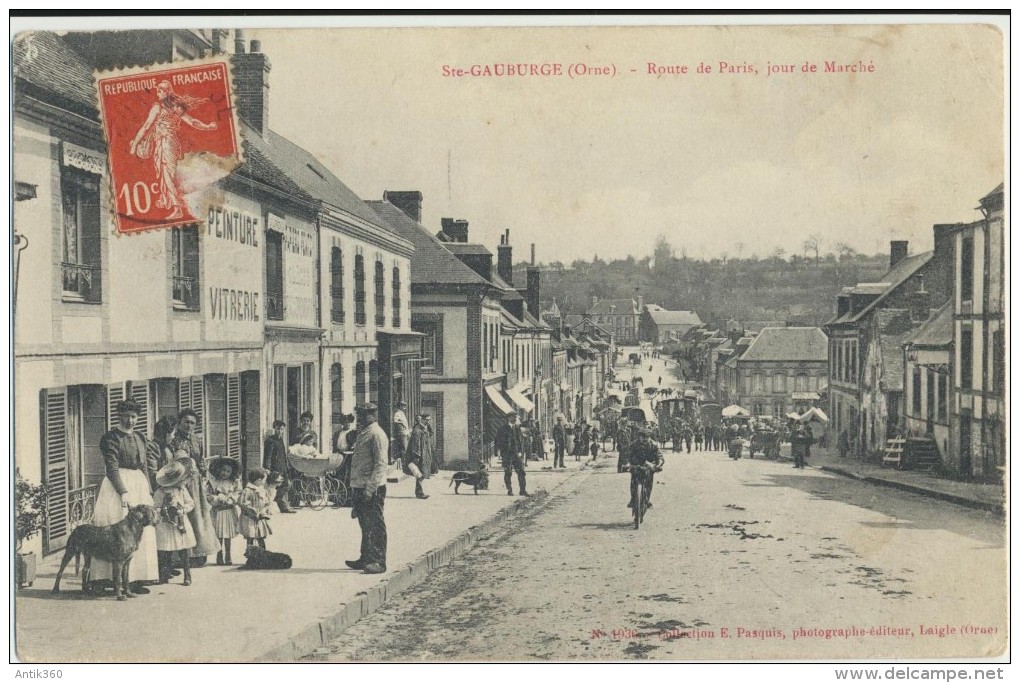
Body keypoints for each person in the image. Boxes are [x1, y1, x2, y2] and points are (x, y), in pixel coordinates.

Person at [93, 400, 159, 594]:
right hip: (118, 485)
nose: (130, 420)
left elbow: (144, 465)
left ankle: (135, 579)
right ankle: (105, 579)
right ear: (119, 416)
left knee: (140, 532)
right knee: (116, 528)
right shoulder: (111, 438)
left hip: (138, 483)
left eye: (134, 416)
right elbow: (111, 467)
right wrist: (123, 491)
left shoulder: (140, 437)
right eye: (126, 416)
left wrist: (148, 489)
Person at [129, 80, 218, 221]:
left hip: (165, 143)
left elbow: (146, 126)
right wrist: (207, 127)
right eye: (157, 90)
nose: (157, 93)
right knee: (166, 174)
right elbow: (193, 121)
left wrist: (134, 145)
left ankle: (177, 208)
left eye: (160, 90)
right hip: (170, 143)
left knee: (167, 174)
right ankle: (170, 201)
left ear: (166, 92)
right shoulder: (176, 109)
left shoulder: (158, 108)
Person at [170, 409, 219, 565]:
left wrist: (204, 474)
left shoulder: (197, 440)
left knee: (198, 515)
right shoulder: (174, 440)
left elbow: (201, 460)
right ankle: (182, 556)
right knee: (184, 515)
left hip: (196, 483)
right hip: (181, 482)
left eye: (192, 423)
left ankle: (198, 553)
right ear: (179, 423)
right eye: (186, 422)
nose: (189, 425)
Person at [347, 403, 390, 574]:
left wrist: (369, 489)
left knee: (375, 525)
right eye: (359, 415)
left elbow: (380, 465)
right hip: (359, 485)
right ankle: (365, 557)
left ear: (373, 415)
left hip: (372, 488)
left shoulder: (377, 434)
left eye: (363, 416)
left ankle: (379, 561)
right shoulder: (364, 432)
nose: (360, 419)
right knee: (365, 524)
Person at [153, 460, 196, 586]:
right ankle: (163, 574)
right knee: (165, 550)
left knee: (183, 550)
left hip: (180, 522)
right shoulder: (160, 492)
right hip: (165, 525)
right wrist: (164, 511)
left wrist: (182, 510)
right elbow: (155, 507)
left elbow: (190, 503)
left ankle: (187, 575)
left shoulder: (181, 490)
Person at [206, 456, 242, 566]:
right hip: (218, 511)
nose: (225, 473)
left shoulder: (234, 482)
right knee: (218, 534)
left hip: (228, 511)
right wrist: (216, 499)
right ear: (218, 470)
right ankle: (219, 555)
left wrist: (231, 500)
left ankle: (228, 555)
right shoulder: (213, 482)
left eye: (228, 471)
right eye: (223, 470)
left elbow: (238, 493)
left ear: (232, 472)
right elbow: (208, 494)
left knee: (227, 535)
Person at [263, 419, 295, 513]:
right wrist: (267, 468)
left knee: (286, 485)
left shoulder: (280, 440)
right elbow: (268, 456)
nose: (280, 431)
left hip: (283, 467)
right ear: (274, 428)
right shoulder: (270, 441)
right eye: (278, 429)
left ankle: (282, 505)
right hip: (275, 468)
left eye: (281, 429)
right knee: (284, 485)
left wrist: (287, 465)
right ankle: (282, 506)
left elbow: (282, 454)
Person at [627, 429, 664, 510]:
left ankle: (647, 499)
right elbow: (628, 455)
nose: (645, 439)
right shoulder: (634, 444)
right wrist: (628, 464)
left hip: (649, 467)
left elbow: (659, 456)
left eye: (647, 437)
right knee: (633, 481)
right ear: (639, 437)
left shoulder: (654, 445)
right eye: (643, 437)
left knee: (649, 483)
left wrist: (658, 465)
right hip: (637, 466)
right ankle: (633, 499)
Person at [496, 413, 529, 497]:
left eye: (515, 417)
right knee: (508, 472)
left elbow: (519, 441)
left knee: (521, 471)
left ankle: (523, 490)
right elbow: (497, 441)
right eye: (513, 417)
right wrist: (500, 452)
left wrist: (520, 452)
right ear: (508, 418)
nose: (515, 419)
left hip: (516, 454)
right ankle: (509, 490)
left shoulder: (517, 428)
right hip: (507, 454)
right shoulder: (502, 429)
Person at [238, 468, 272, 549]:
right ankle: (250, 556)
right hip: (250, 518)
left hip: (260, 517)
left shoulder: (263, 490)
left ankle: (263, 555)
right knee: (251, 537)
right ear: (258, 480)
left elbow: (267, 502)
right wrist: (253, 511)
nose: (265, 482)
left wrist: (265, 510)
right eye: (264, 480)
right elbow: (243, 503)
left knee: (261, 537)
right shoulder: (248, 491)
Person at [404, 413, 431, 500]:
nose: (428, 422)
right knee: (420, 474)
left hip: (423, 454)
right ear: (422, 420)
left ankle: (419, 492)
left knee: (421, 474)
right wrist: (417, 456)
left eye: (429, 420)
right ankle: (419, 493)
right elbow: (415, 445)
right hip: (418, 456)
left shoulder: (423, 429)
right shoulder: (417, 430)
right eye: (426, 420)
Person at [391, 401, 410, 466]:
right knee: (404, 448)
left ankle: (403, 462)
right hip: (401, 433)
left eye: (405, 405)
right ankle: (404, 463)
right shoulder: (398, 413)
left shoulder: (402, 413)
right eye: (403, 406)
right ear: (400, 406)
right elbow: (395, 421)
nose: (404, 407)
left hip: (405, 432)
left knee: (404, 448)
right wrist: (401, 423)